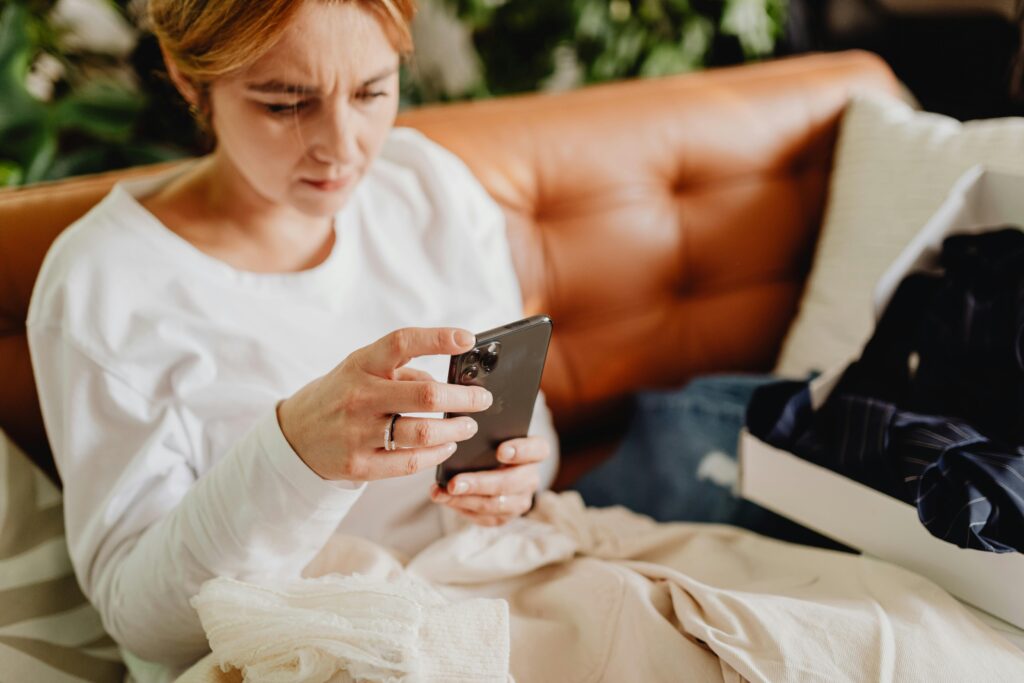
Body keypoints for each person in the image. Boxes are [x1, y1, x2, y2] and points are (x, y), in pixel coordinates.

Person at [25, 0, 558, 680]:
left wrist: (514, 482)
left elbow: (533, 440)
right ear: (190, 82)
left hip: (492, 592)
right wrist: (294, 454)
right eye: (284, 104)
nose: (341, 145)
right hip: (290, 650)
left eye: (371, 91)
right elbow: (143, 623)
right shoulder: (105, 284)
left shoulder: (427, 188)